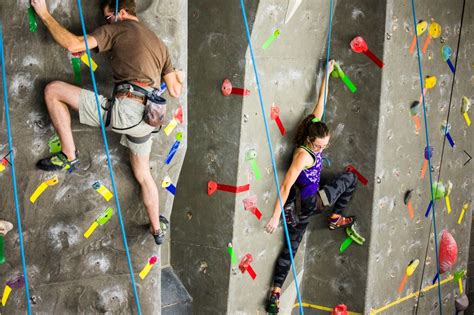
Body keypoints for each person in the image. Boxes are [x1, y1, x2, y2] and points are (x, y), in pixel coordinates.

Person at [30, 0, 183, 245]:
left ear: (121, 12)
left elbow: (73, 44)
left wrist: (45, 14)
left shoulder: (117, 29)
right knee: (143, 173)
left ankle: (69, 154)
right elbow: (175, 89)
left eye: (109, 17)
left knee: (53, 91)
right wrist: (178, 72)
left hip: (127, 111)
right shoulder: (158, 43)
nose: (106, 22)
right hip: (150, 119)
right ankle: (157, 228)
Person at [264, 60, 358, 313]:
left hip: (305, 199)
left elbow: (321, 103)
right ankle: (335, 216)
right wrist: (274, 217)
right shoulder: (303, 155)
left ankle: (274, 293)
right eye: (319, 146)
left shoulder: (313, 126)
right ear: (309, 140)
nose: (321, 149)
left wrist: (326, 74)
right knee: (349, 180)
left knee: (290, 249)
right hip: (310, 203)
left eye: (324, 145)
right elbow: (285, 186)